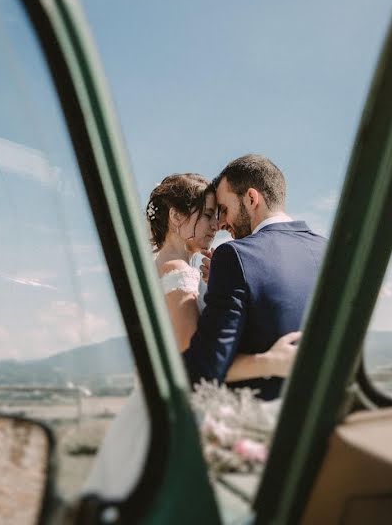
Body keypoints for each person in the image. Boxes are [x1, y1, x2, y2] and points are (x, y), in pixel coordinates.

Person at [82, 172, 299, 498]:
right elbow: (190, 361)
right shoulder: (179, 273)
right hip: (176, 418)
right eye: (209, 214)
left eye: (218, 214)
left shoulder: (162, 267)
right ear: (176, 216)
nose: (217, 225)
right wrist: (269, 361)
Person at [183, 155, 327, 401]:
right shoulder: (328, 249)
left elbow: (206, 368)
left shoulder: (234, 255)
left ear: (251, 198)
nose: (221, 224)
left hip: (261, 422)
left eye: (224, 210)